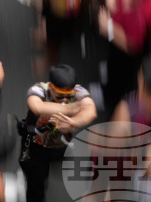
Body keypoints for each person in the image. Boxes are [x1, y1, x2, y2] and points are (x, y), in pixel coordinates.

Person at [19, 64, 97, 202]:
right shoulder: (38, 89)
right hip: (36, 147)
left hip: (60, 144)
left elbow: (91, 110)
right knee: (36, 185)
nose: (64, 100)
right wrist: (71, 109)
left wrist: (73, 123)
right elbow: (37, 107)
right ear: (50, 87)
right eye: (60, 96)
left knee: (62, 160)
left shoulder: (78, 91)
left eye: (68, 96)